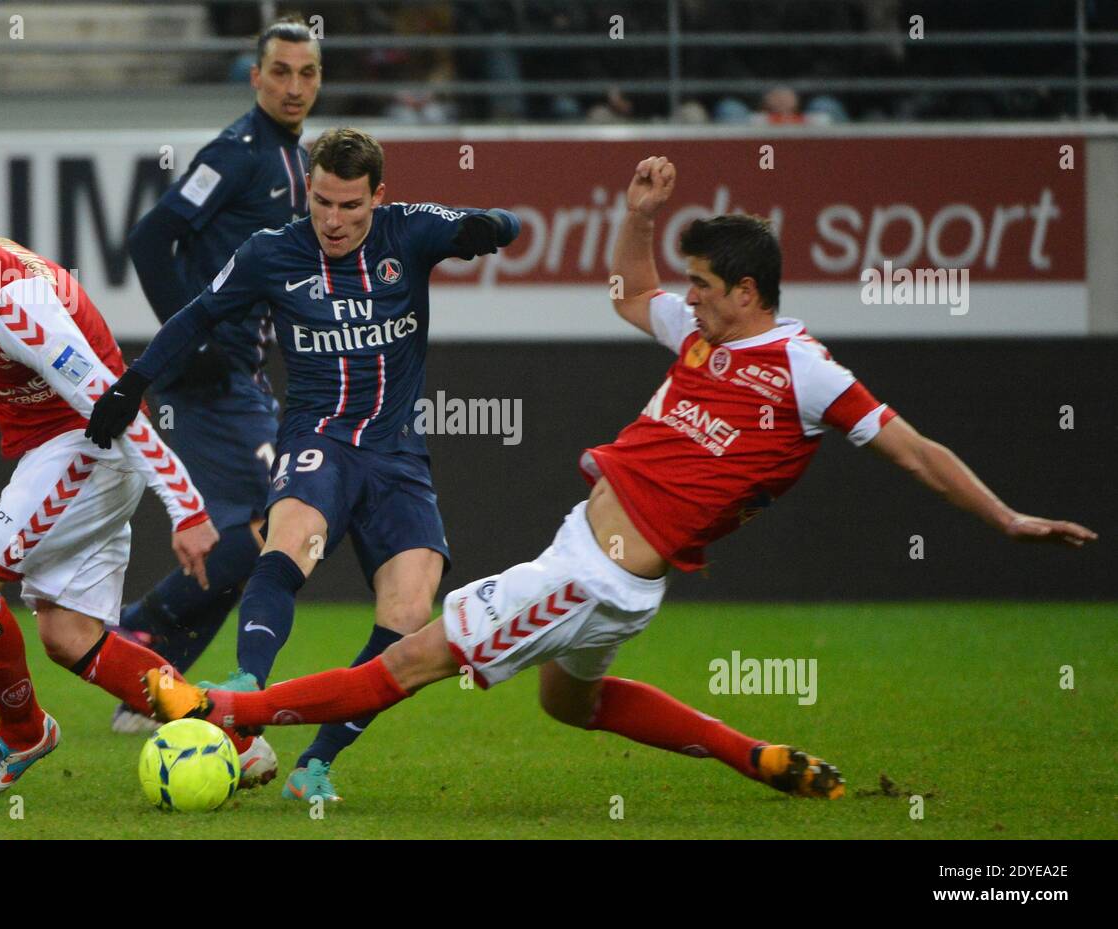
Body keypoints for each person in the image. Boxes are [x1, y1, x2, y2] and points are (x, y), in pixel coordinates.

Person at [142, 156, 1098, 800]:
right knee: (574, 703)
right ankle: (750, 754)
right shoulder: (700, 334)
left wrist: (1006, 517)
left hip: (585, 576)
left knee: (404, 662)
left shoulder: (806, 370)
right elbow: (631, 291)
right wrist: (637, 215)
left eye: (705, 287)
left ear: (748, 293)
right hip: (613, 581)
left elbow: (917, 450)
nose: (687, 299)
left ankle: (223, 709)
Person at [86, 127, 520, 802]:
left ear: (379, 196)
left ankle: (316, 762)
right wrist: (133, 382)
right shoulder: (270, 252)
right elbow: (198, 315)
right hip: (320, 438)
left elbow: (500, 224)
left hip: (399, 453)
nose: (335, 220)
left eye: (351, 205)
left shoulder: (409, 232)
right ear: (308, 190)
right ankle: (244, 687)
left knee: (409, 611)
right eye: (321, 201)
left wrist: (491, 226)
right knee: (289, 540)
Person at [0, 175, 263, 796]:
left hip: (89, 444)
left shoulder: (19, 309)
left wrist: (187, 510)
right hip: (52, 448)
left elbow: (115, 405)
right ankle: (234, 737)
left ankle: (23, 732)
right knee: (68, 637)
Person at [112, 17, 322, 761]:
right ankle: (136, 633)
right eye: (281, 72)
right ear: (256, 77)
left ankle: (154, 670)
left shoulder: (293, 159)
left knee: (257, 536)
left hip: (241, 371)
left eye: (307, 73)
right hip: (211, 372)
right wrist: (189, 332)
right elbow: (148, 238)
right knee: (272, 529)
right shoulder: (236, 154)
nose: (294, 86)